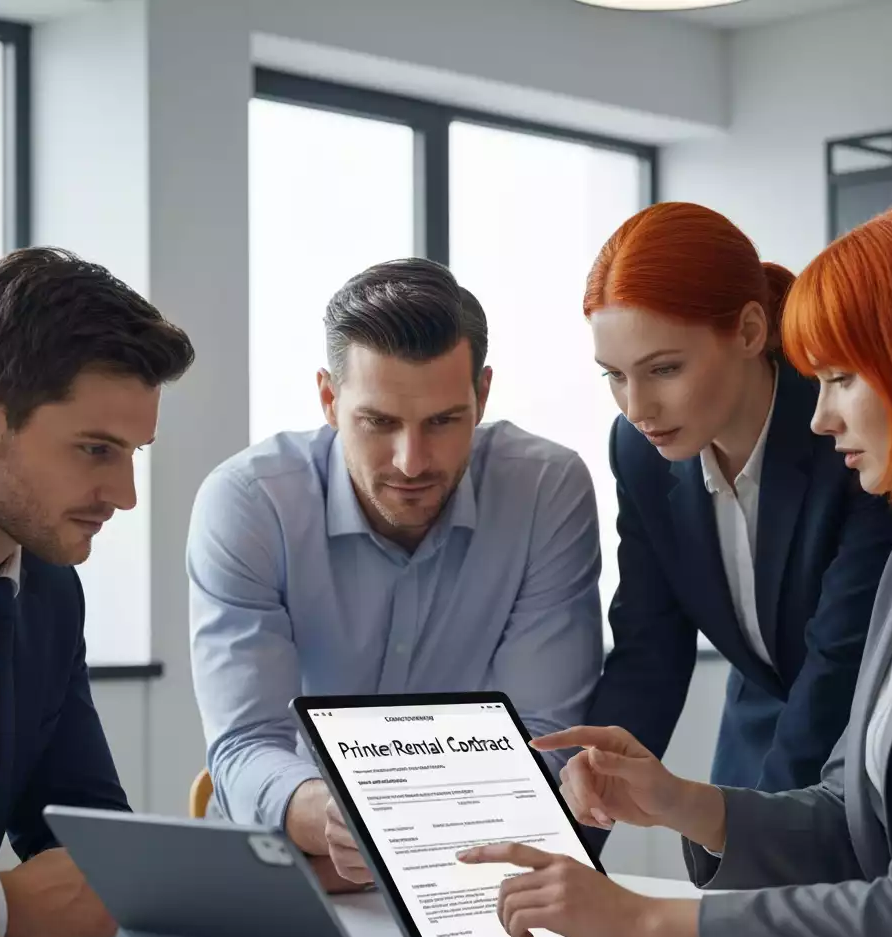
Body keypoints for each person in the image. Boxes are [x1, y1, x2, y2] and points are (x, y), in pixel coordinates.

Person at [458, 201, 892, 937]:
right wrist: (660, 805)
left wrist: (642, 919)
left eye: (841, 378)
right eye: (615, 377)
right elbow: (850, 819)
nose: (822, 417)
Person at [188, 258, 603, 891]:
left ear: (483, 395)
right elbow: (244, 745)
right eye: (379, 422)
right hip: (289, 872)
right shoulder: (249, 503)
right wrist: (327, 819)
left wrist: (410, 838)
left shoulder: (546, 490)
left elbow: (546, 739)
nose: (412, 462)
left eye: (443, 421)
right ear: (329, 399)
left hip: (472, 879)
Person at [584, 201, 892, 794]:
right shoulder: (639, 451)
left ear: (749, 331)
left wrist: (753, 832)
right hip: (754, 742)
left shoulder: (849, 434)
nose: (637, 408)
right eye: (614, 375)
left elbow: (841, 662)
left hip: (876, 754)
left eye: (664, 369)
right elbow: (648, 647)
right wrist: (577, 813)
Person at [0, 248, 195, 937]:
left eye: (133, 453)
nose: (125, 496)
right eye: (96, 450)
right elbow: (34, 901)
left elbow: (86, 834)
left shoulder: (49, 589)